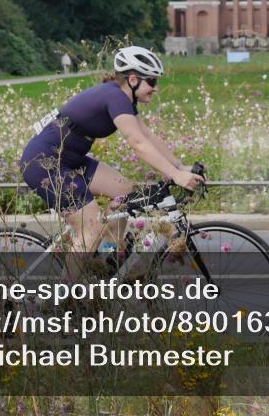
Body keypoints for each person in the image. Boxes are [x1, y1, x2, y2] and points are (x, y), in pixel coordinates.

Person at [19, 46, 204, 275]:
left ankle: (105, 264)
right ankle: (61, 298)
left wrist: (179, 167)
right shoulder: (115, 97)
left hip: (69, 160)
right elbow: (137, 143)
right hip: (44, 163)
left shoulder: (122, 98)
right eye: (152, 81)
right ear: (133, 79)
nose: (156, 88)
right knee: (92, 226)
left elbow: (146, 136)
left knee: (125, 192)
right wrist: (176, 176)